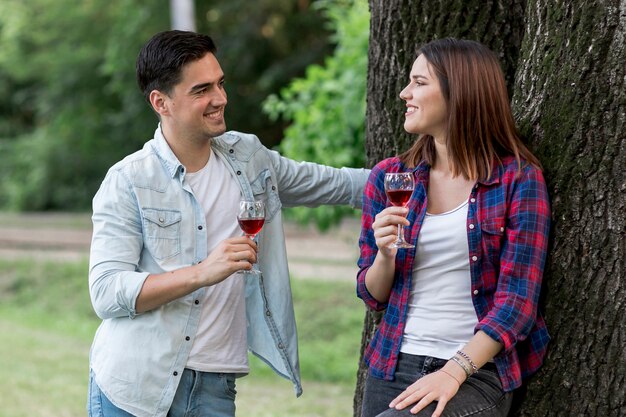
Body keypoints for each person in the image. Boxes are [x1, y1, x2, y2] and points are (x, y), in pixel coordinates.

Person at [87, 30, 368, 417]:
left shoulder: (249, 158)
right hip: (135, 386)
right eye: (201, 89)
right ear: (161, 102)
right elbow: (106, 291)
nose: (220, 98)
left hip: (216, 387)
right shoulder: (129, 179)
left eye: (220, 83)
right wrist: (201, 273)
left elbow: (333, 183)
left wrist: (420, 175)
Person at [356, 38, 551, 417]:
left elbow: (518, 303)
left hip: (476, 371)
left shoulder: (518, 179)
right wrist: (384, 255)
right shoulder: (391, 177)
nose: (404, 93)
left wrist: (453, 371)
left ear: (458, 92)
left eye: (419, 82)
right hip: (392, 365)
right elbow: (373, 296)